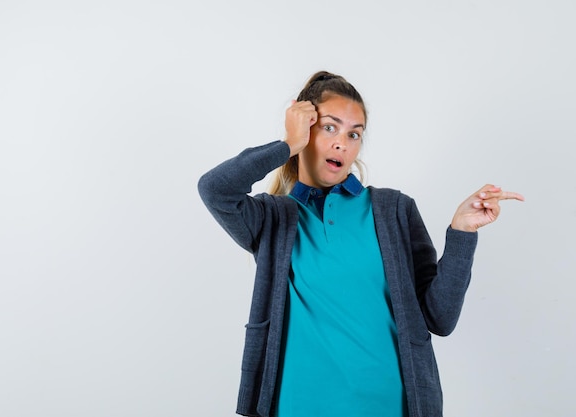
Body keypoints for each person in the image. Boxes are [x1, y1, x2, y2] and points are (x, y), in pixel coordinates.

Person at [197, 71, 524, 417]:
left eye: (354, 134)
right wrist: (288, 145)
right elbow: (214, 189)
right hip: (298, 406)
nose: (343, 143)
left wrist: (462, 232)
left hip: (389, 406)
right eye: (329, 127)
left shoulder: (393, 210)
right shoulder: (271, 218)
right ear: (303, 126)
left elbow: (439, 318)